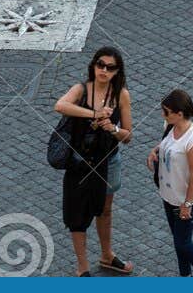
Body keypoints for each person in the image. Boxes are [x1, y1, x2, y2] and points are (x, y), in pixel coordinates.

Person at [54, 49, 134, 277]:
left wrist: (113, 128)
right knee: (77, 215)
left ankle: (107, 255)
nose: (104, 70)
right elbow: (60, 106)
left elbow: (128, 136)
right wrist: (94, 114)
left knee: (105, 210)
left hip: (108, 161)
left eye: (110, 67)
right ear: (93, 65)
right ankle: (83, 268)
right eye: (101, 64)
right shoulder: (81, 90)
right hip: (80, 163)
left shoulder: (121, 95)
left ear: (117, 72)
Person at [148, 89, 193, 277]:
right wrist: (155, 151)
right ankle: (185, 276)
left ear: (179, 113)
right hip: (169, 195)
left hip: (184, 198)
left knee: (183, 243)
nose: (163, 114)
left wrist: (187, 204)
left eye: (166, 111)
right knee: (179, 241)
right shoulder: (170, 125)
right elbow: (166, 143)